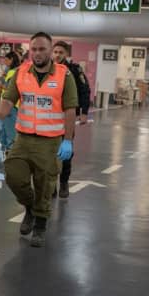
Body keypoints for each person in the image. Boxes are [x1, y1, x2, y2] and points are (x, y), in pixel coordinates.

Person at [0, 32, 78, 248]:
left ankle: (40, 223)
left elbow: (70, 110)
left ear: (50, 51)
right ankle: (30, 207)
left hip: (50, 141)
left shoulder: (63, 75)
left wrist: (67, 140)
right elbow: (8, 100)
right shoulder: (21, 72)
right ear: (29, 50)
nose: (38, 53)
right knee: (12, 175)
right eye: (34, 49)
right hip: (23, 137)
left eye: (42, 49)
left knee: (45, 183)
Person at [51, 41, 91, 199]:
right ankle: (51, 184)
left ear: (66, 54)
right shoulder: (47, 69)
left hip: (67, 117)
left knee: (65, 151)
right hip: (48, 118)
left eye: (61, 52)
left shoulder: (74, 70)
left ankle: (64, 183)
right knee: (49, 153)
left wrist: (84, 112)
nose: (58, 55)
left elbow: (84, 90)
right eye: (55, 52)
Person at [0, 51, 21, 152]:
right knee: (2, 130)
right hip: (7, 104)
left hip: (11, 106)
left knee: (9, 132)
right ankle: (1, 151)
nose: (5, 62)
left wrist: (1, 82)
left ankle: (9, 152)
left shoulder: (14, 72)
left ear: (12, 60)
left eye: (7, 60)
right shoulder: (9, 71)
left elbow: (8, 87)